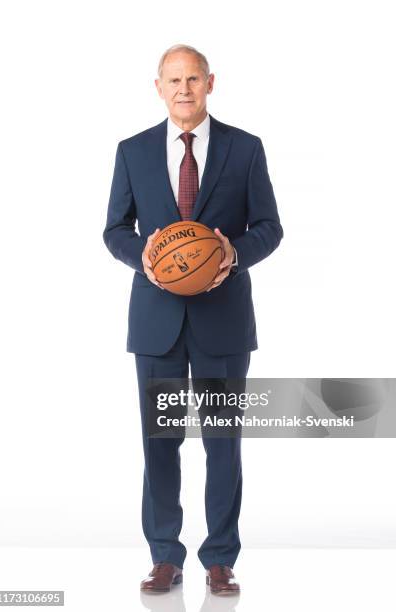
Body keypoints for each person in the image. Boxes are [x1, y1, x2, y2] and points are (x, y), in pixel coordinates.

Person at [103, 44, 283, 595]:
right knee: (160, 441)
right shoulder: (132, 151)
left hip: (223, 320)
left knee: (223, 441)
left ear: (210, 83)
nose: (184, 89)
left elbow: (269, 227)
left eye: (194, 79)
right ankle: (164, 556)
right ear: (159, 87)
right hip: (156, 322)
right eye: (174, 80)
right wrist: (148, 257)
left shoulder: (244, 149)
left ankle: (220, 559)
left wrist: (232, 254)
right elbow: (114, 230)